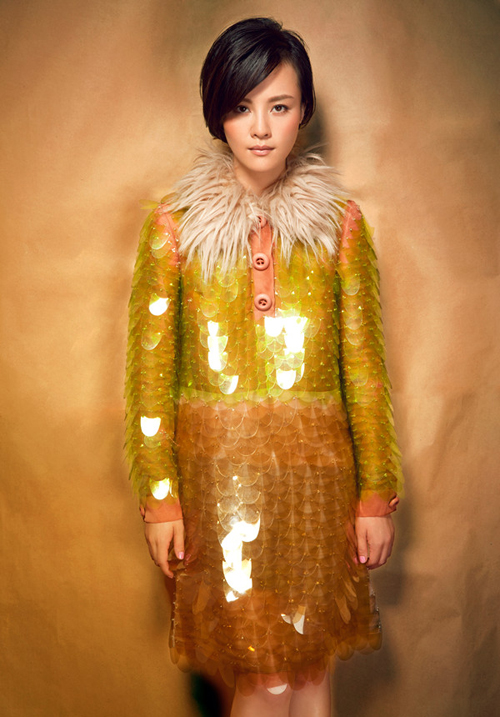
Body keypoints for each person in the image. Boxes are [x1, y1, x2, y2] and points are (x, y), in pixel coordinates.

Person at [125, 16, 402, 717]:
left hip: (318, 487)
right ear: (217, 112)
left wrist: (375, 493)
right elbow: (150, 376)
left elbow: (364, 368)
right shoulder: (174, 227)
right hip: (219, 487)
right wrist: (161, 497)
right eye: (242, 106)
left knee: (311, 669)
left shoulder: (340, 225)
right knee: (262, 675)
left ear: (303, 111)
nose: (260, 127)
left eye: (279, 106)